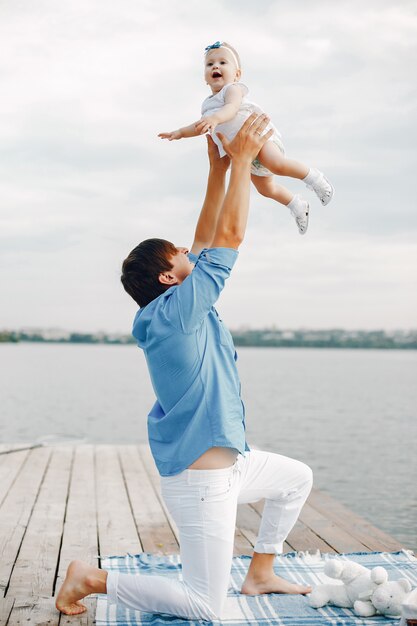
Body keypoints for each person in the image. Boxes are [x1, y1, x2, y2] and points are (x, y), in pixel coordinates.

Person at [55, 114, 313, 620]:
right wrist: (242, 161)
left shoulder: (176, 302)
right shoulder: (178, 312)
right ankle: (92, 579)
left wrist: (218, 166)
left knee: (295, 478)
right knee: (205, 606)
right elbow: (231, 232)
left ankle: (260, 572)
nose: (190, 252)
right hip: (203, 482)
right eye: (180, 255)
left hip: (232, 463)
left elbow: (209, 225)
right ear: (169, 276)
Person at [159, 40, 334, 235]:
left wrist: (215, 118)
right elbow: (199, 126)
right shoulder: (207, 105)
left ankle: (314, 178)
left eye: (223, 62)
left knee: (275, 163)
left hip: (260, 139)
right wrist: (181, 133)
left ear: (237, 74)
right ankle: (297, 205)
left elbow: (231, 109)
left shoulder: (232, 90)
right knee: (266, 189)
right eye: (210, 64)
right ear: (205, 78)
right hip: (245, 156)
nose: (215, 66)